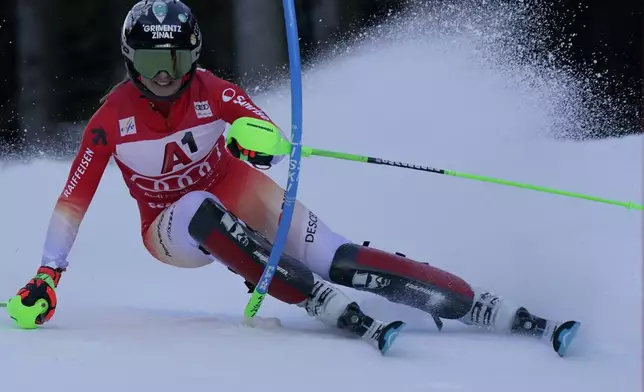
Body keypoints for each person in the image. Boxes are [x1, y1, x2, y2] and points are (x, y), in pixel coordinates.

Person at [7, 0, 579, 356]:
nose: (164, 77)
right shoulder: (110, 120)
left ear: (194, 57)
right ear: (130, 59)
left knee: (337, 254)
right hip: (168, 228)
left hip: (234, 192)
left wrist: (254, 145)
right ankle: (312, 297)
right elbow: (71, 200)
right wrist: (47, 276)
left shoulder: (213, 91)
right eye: (153, 64)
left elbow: (268, 136)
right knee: (202, 207)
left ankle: (478, 302)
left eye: (177, 62)